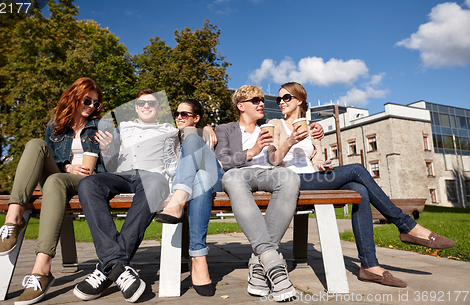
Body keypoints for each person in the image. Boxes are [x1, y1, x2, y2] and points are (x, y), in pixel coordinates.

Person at [269, 81, 456, 288]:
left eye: (286, 97)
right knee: (357, 168)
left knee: (359, 190)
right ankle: (407, 226)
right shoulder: (275, 124)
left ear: (299, 100)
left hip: (314, 179)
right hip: (292, 181)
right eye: (279, 99)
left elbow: (314, 161)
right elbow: (273, 161)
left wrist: (321, 163)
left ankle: (369, 266)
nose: (281, 102)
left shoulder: (313, 129)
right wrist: (290, 140)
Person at [0, 77, 107, 305]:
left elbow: (109, 170)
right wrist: (67, 166)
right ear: (74, 97)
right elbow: (50, 160)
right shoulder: (54, 126)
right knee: (35, 144)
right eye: (87, 100)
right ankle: (12, 220)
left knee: (55, 181)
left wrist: (110, 148)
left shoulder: (100, 128)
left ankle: (41, 271)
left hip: (85, 182)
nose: (92, 107)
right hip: (57, 176)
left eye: (96, 103)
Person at [214, 85, 324, 302]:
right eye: (255, 100)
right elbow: (223, 162)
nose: (261, 103)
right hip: (240, 173)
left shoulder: (271, 125)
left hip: (269, 173)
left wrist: (316, 127)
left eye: (262, 99)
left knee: (290, 177)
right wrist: (252, 151)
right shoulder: (225, 129)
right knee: (233, 178)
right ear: (241, 106)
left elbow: (295, 124)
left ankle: (260, 261)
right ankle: (272, 262)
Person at [73, 88, 177, 303]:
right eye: (141, 104)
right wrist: (105, 150)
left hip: (152, 177)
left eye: (150, 103)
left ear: (159, 107)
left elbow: (179, 157)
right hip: (121, 176)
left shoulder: (170, 130)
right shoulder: (123, 129)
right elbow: (110, 163)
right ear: (136, 108)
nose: (146, 106)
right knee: (89, 183)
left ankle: (106, 268)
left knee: (155, 182)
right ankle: (118, 266)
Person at [154, 99, 224, 296]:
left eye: (184, 114)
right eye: (176, 114)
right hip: (199, 182)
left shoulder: (204, 134)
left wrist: (203, 129)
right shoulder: (169, 137)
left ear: (197, 117)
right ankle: (198, 256)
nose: (178, 117)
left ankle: (178, 200)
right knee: (199, 177)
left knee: (193, 139)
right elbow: (166, 167)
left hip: (215, 176)